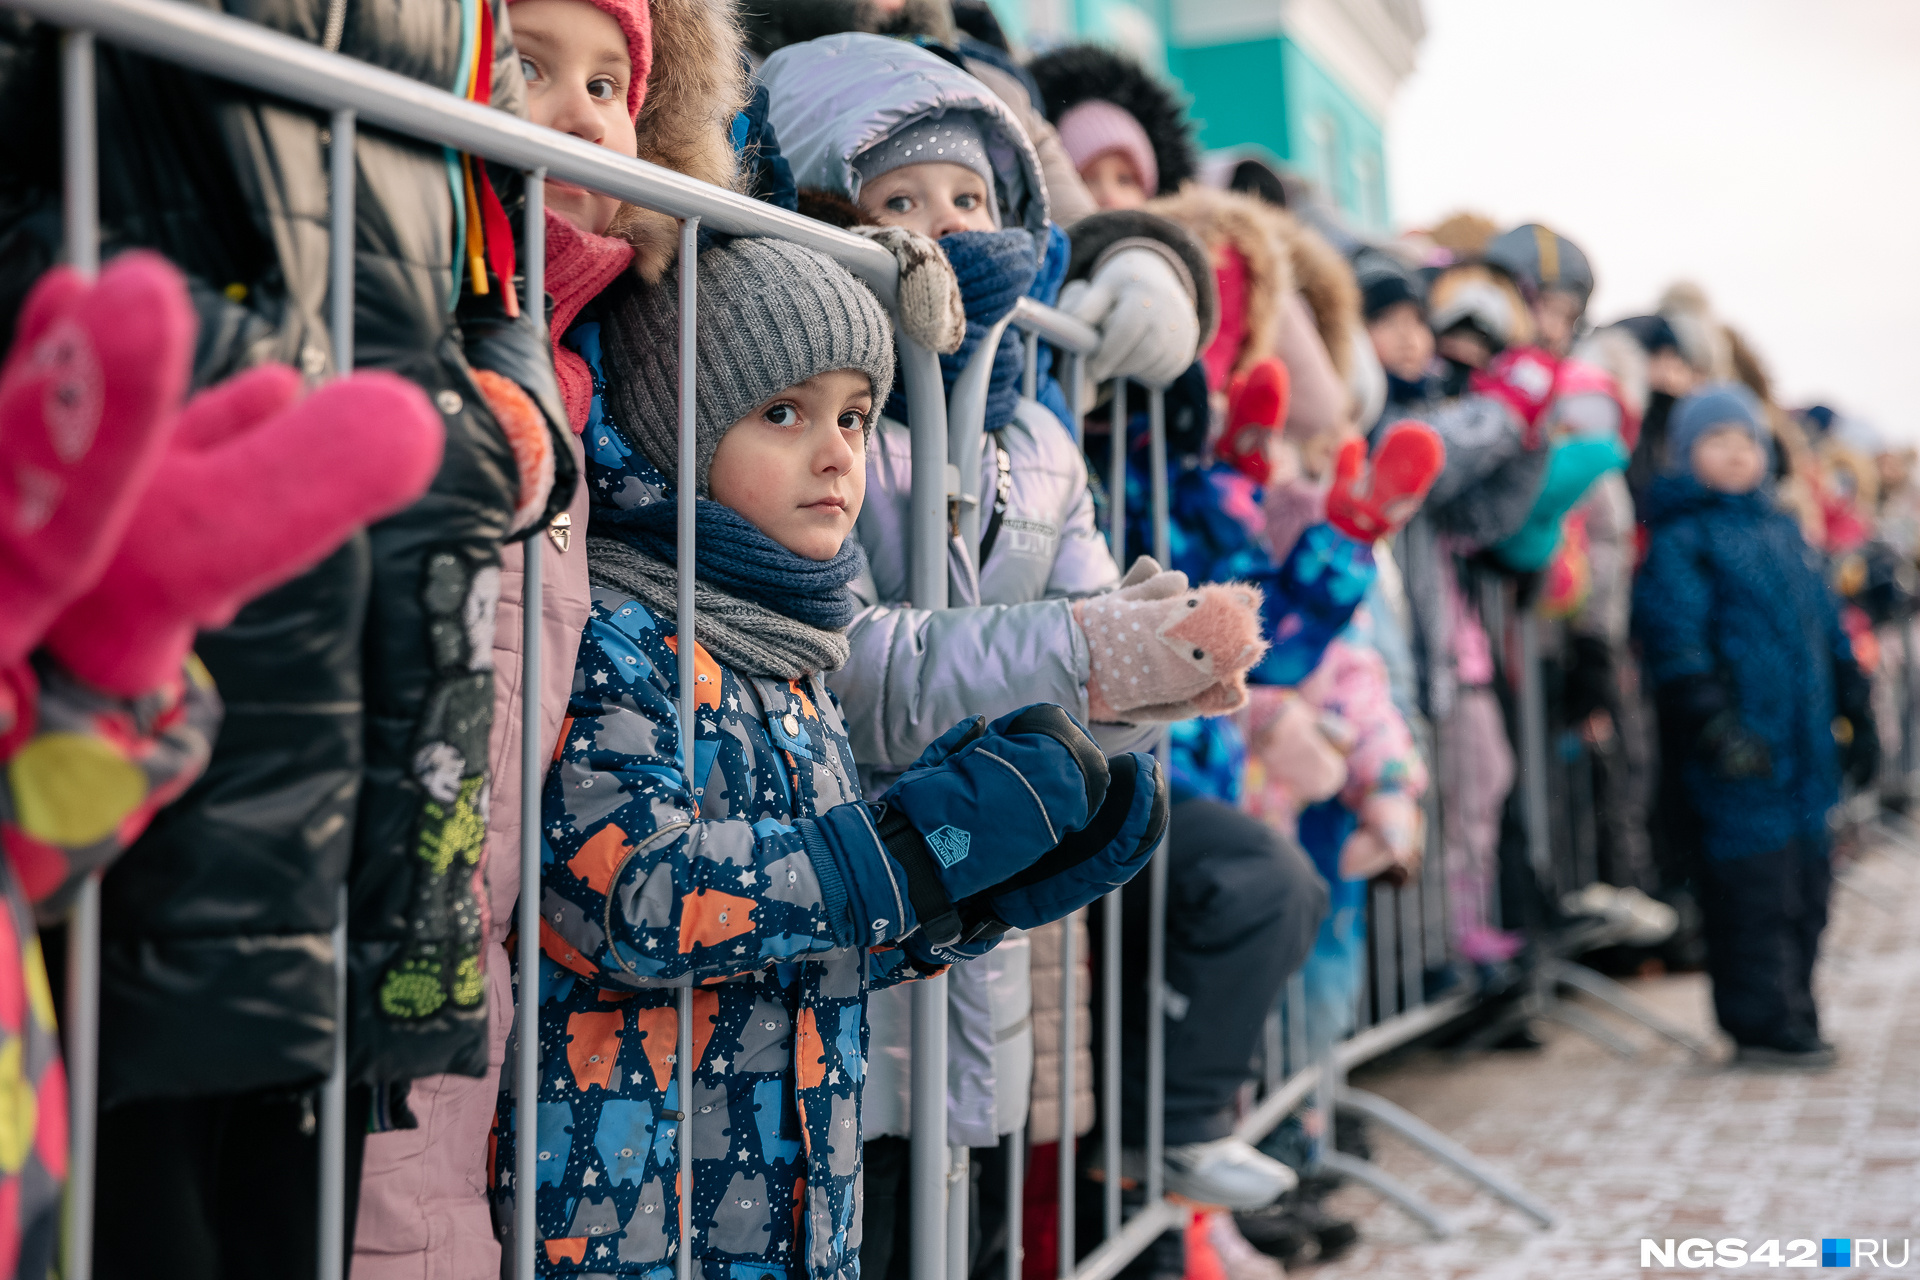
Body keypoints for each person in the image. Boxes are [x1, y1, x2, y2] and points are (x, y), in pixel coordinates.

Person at [491, 233, 1168, 1277]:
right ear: (675, 429)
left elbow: (807, 940)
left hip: (791, 1209)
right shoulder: (623, 636)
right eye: (783, 413)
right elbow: (627, 897)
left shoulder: (798, 660)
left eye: (853, 414)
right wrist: (900, 850)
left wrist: (970, 894)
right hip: (638, 1221)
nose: (838, 452)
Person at [1634, 384, 1876, 1069]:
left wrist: (1854, 702)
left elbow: (1827, 630)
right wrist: (1713, 725)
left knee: (1807, 889)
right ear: (1686, 456)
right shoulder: (1686, 541)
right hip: (1741, 756)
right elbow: (1676, 641)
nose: (1737, 453)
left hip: (1804, 751)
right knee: (1753, 890)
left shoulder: (1782, 531)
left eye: (1746, 440)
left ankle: (1796, 1007)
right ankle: (1760, 1021)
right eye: (1717, 441)